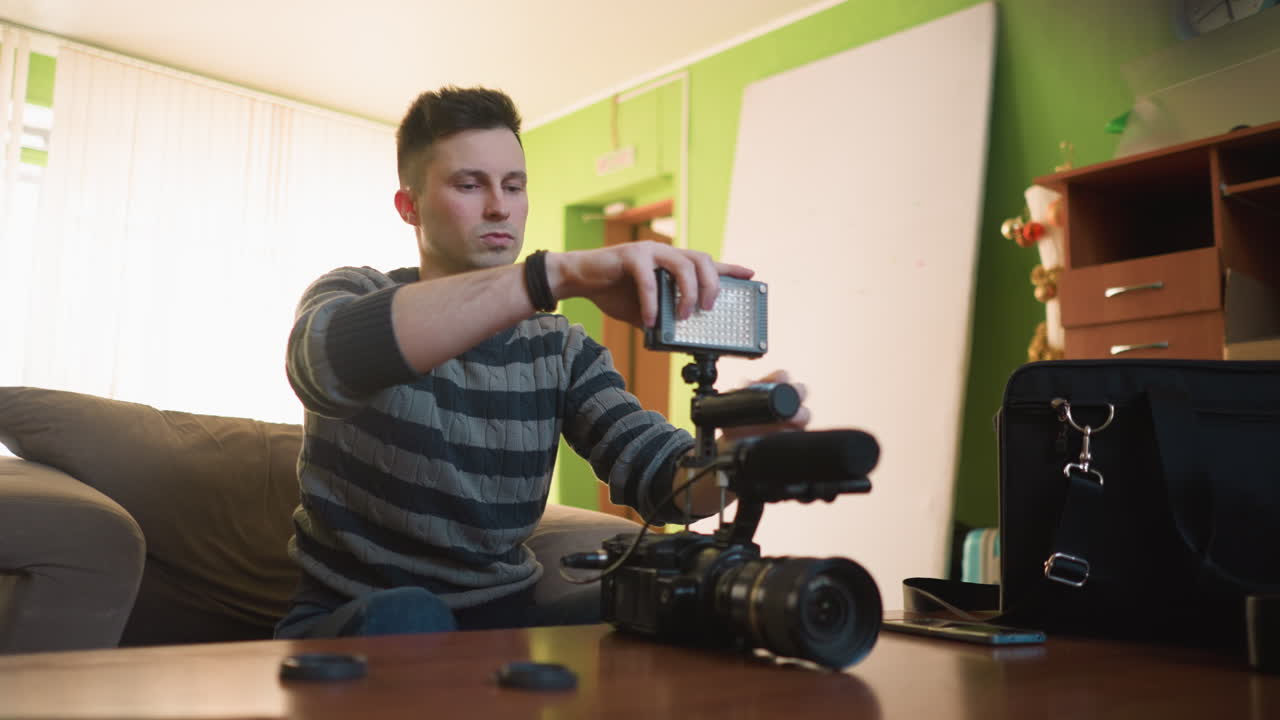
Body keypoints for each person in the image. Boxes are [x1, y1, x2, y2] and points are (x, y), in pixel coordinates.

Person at [275, 86, 808, 640]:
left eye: (513, 185)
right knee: (412, 615)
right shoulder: (354, 293)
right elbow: (325, 363)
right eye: (469, 184)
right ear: (409, 206)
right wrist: (552, 276)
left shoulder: (560, 349)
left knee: (668, 607)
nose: (499, 207)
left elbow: (661, 482)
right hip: (359, 616)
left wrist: (735, 454)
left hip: (503, 617)